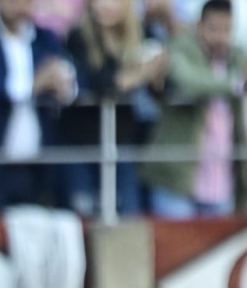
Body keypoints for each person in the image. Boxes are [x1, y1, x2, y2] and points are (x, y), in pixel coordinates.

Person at [0, 0, 77, 212]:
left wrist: (63, 84)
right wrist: (34, 85)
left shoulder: (46, 39)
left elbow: (71, 84)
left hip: (38, 167)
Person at [141, 0, 247, 219]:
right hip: (176, 179)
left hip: (222, 183)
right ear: (199, 26)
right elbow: (189, 82)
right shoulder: (180, 47)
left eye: (226, 29)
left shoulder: (237, 57)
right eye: (213, 28)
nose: (220, 37)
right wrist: (238, 84)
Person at [62, 0, 169, 217]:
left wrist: (157, 75)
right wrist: (141, 73)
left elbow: (163, 91)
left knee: (128, 214)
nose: (105, 5)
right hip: (82, 141)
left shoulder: (144, 32)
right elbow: (102, 85)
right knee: (83, 216)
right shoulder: (78, 36)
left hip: (123, 139)